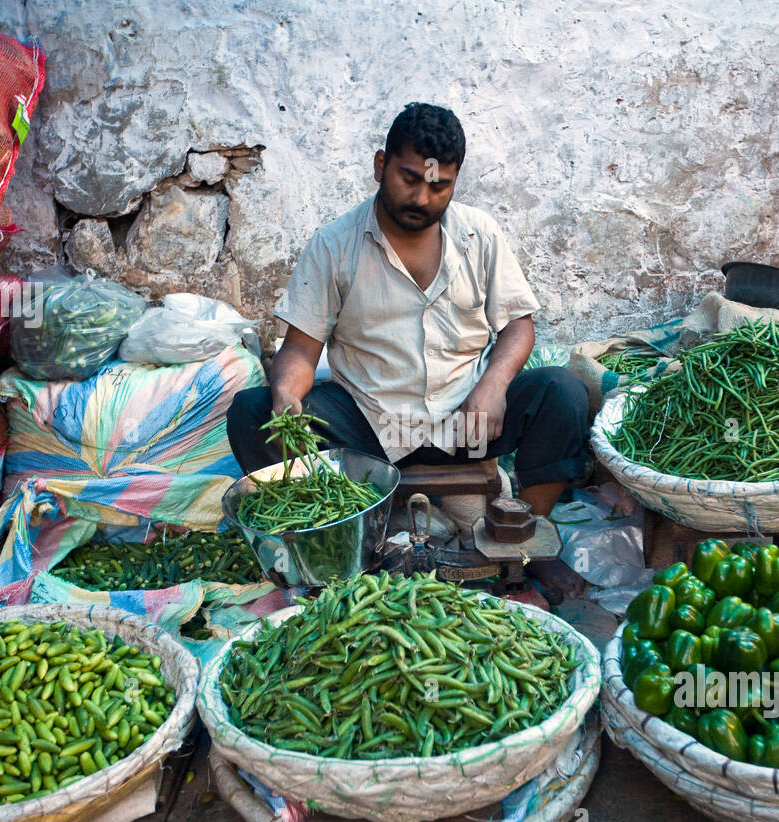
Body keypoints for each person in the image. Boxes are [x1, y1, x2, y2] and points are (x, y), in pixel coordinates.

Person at [228, 102, 589, 598]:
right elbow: (299, 351)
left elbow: (518, 328)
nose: (422, 197)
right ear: (381, 165)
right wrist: (287, 398)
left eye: (439, 186)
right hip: (371, 430)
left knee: (562, 392)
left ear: (456, 180)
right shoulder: (335, 244)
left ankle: (521, 541)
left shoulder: (479, 235)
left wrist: (493, 386)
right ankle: (333, 547)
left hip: (468, 423)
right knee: (252, 411)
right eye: (409, 178)